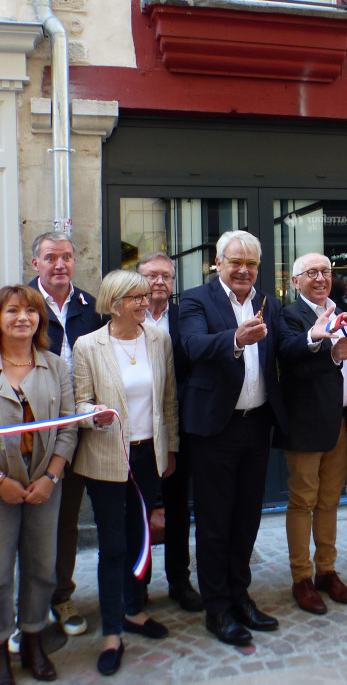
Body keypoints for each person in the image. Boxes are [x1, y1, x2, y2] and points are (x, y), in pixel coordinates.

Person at [179, 230, 323, 646]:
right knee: (214, 522)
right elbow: (191, 346)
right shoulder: (195, 299)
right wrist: (235, 340)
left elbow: (285, 352)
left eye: (251, 264)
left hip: (257, 424)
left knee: (246, 518)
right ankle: (217, 608)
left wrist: (317, 339)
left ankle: (240, 596)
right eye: (236, 262)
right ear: (218, 263)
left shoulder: (269, 302)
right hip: (215, 427)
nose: (244, 270)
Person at [0, 286, 77, 685]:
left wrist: (51, 477)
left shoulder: (57, 366)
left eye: (31, 311)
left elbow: (68, 428)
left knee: (42, 568)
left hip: (45, 483)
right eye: (12, 311)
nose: (22, 317)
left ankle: (34, 640)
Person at [72, 269, 179, 675]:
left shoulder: (158, 339)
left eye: (145, 296)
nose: (145, 301)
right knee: (113, 545)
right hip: (106, 457)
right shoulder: (88, 346)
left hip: (147, 454)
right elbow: (79, 401)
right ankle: (112, 631)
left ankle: (135, 609)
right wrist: (92, 415)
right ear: (115, 304)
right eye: (136, 297)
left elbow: (168, 398)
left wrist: (170, 448)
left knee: (140, 538)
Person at [29, 231, 104, 637]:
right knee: (21, 521)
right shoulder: (20, 303)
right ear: (35, 264)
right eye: (51, 258)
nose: (60, 265)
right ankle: (19, 604)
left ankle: (60, 594)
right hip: (31, 431)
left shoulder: (90, 307)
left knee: (65, 520)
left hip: (78, 430)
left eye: (68, 257)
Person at [279, 253, 347, 615]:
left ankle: (327, 570)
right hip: (306, 425)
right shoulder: (289, 315)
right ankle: (302, 578)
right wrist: (320, 342)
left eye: (326, 271)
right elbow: (289, 355)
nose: (321, 278)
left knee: (329, 501)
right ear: (295, 281)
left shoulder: (343, 312)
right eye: (311, 273)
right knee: (303, 502)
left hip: (338, 423)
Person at [135, 252, 202, 612]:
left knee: (178, 508)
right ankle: (139, 582)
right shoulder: (123, 317)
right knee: (141, 508)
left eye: (166, 276)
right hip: (139, 429)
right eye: (151, 275)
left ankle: (179, 579)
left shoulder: (185, 317)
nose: (159, 282)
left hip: (180, 427)